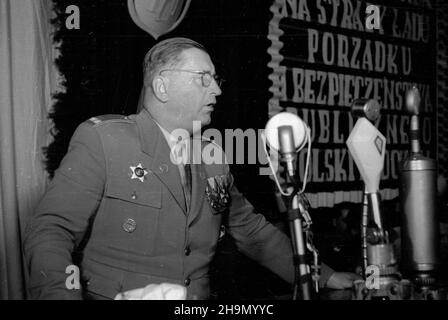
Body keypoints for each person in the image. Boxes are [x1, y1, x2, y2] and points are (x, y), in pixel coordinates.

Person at [23, 37, 360, 300]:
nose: (217, 89)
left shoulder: (212, 155)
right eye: (204, 78)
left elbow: (254, 234)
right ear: (162, 86)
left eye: (216, 79)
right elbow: (51, 232)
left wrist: (324, 275)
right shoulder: (105, 140)